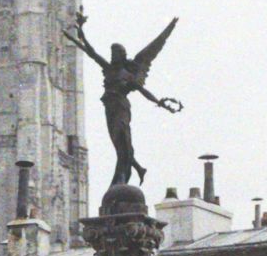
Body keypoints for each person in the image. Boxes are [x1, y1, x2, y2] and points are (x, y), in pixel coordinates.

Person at [62, 11, 182, 187]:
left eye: (115, 53)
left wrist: (160, 103)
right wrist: (78, 36)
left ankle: (121, 179)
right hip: (109, 108)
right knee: (118, 144)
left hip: (120, 107)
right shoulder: (109, 69)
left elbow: (143, 90)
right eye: (111, 53)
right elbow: (91, 52)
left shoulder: (127, 74)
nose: (112, 56)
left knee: (122, 141)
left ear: (121, 54)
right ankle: (138, 169)